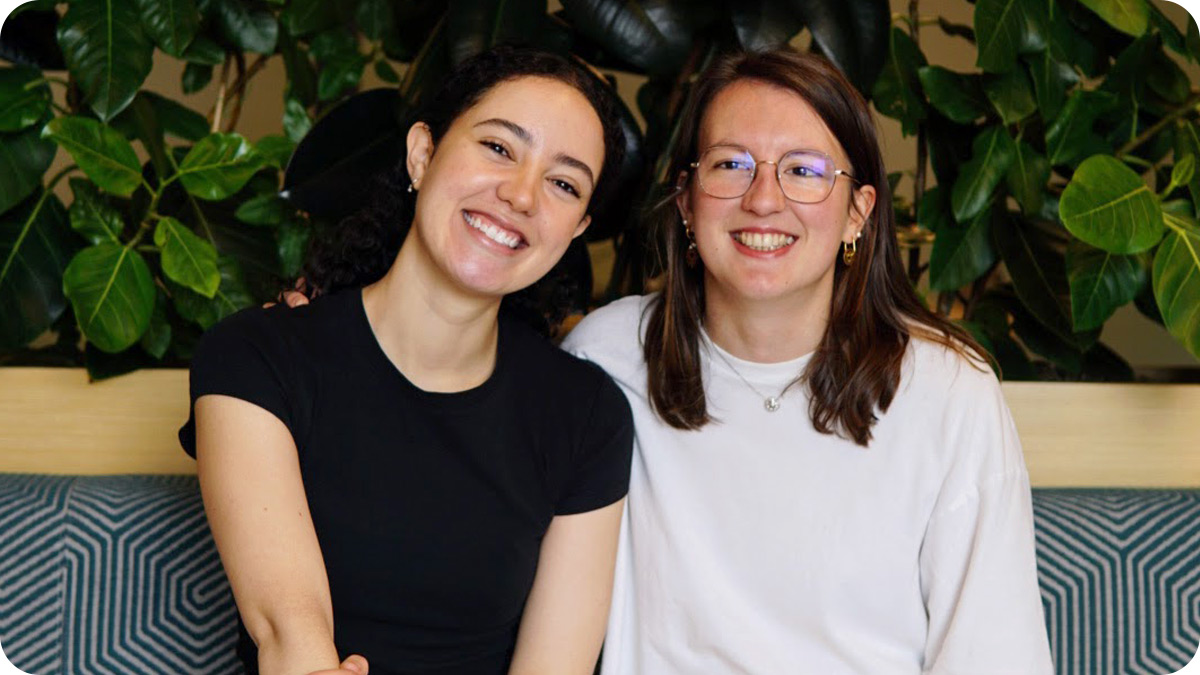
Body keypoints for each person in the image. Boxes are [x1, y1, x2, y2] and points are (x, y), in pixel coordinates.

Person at [561, 48, 1055, 673]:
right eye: (731, 164)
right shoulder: (606, 361)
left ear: (858, 212)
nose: (764, 199)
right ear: (686, 202)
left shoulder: (948, 394)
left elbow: (993, 657)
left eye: (804, 170)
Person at [179, 46, 634, 675]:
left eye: (562, 183)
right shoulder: (258, 357)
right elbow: (291, 636)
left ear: (576, 228)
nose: (521, 194)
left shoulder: (586, 415)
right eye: (499, 148)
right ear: (422, 153)